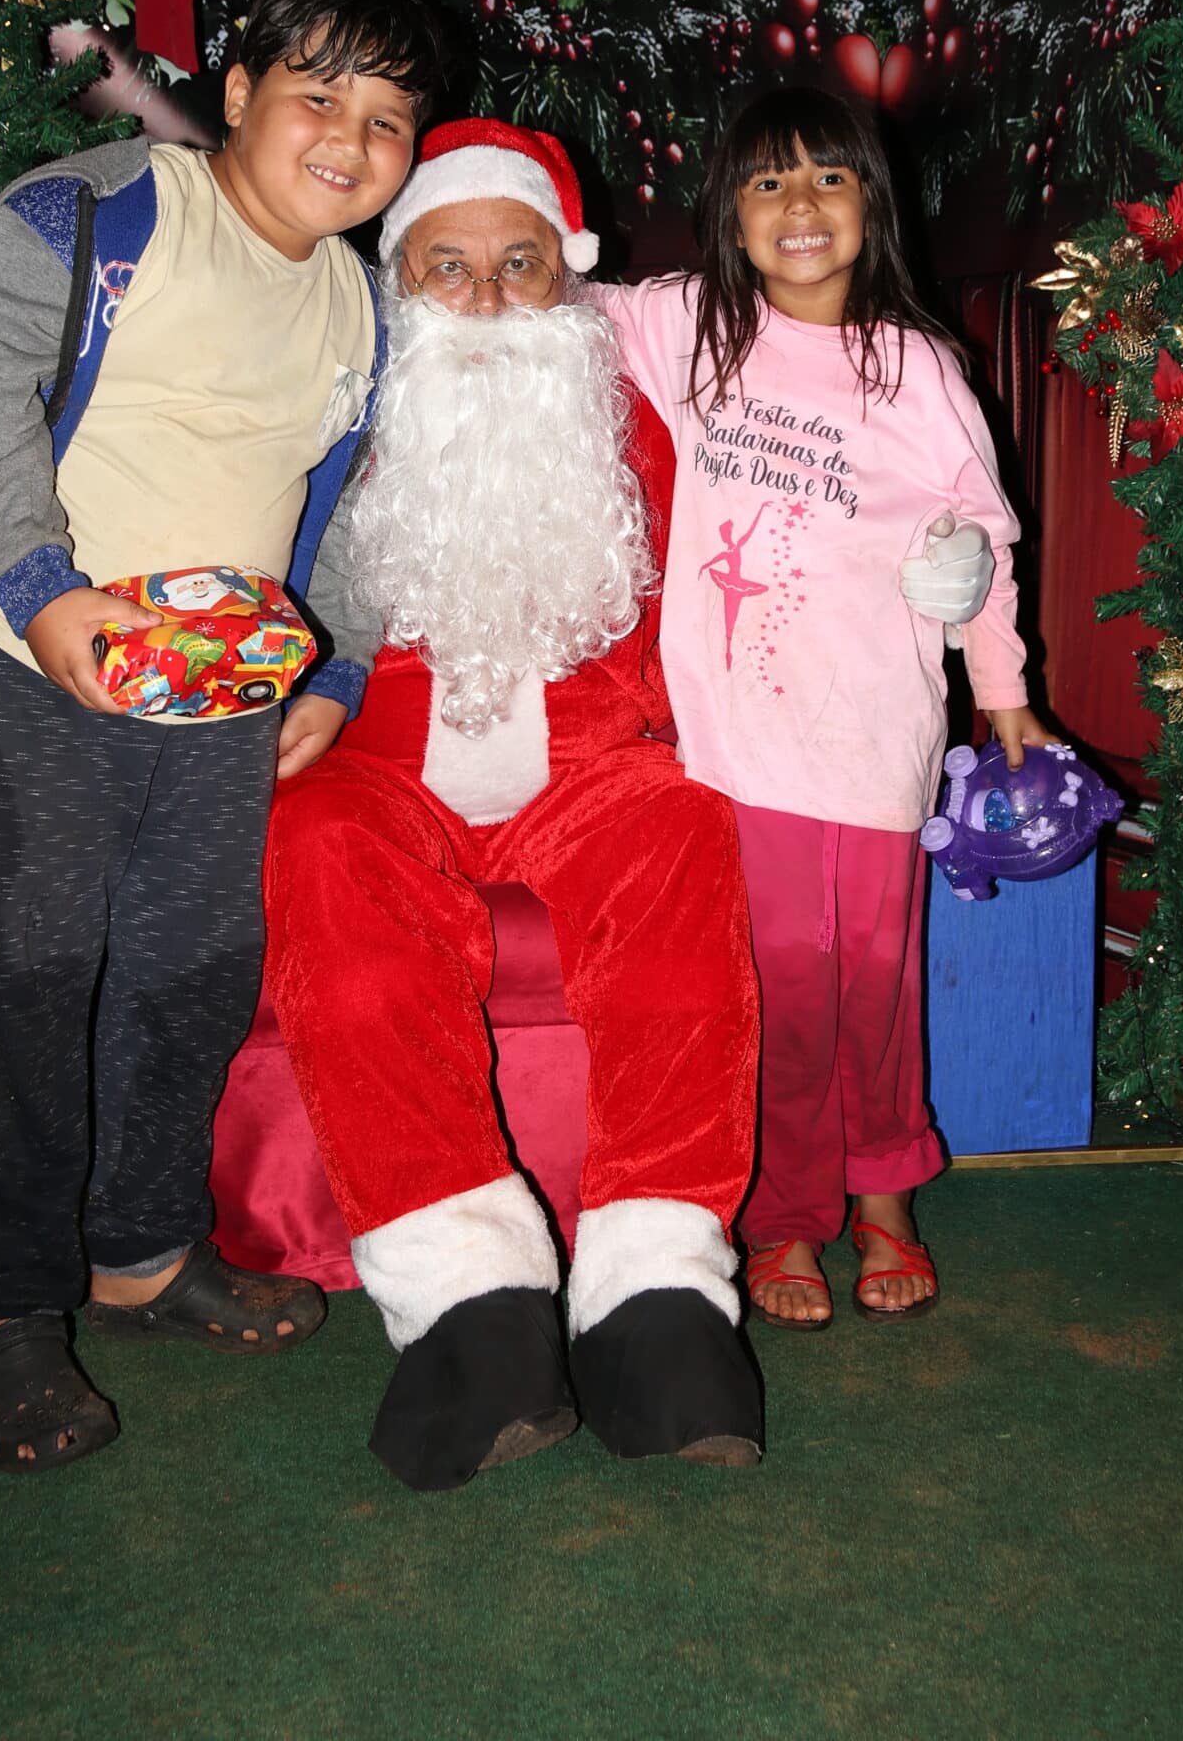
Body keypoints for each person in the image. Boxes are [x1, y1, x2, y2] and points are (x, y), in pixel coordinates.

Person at [0, 0, 445, 1472]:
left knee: (188, 974)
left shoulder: (367, 305)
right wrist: (41, 590)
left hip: (220, 699)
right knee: (11, 985)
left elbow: (352, 510)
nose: (349, 141)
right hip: (29, 672)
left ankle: (142, 1254)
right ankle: (4, 1315)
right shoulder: (98, 213)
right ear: (240, 92)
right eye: (317, 96)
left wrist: (335, 672)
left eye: (386, 120)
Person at [263, 120, 769, 1492]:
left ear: (569, 277)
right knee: (315, 845)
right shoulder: (333, 418)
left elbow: (735, 577)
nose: (485, 299)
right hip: (374, 755)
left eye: (519, 264)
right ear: (397, 279)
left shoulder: (632, 422)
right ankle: (466, 1303)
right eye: (448, 266)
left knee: (682, 834)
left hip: (593, 758)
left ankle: (657, 1293)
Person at [590, 86, 1051, 1332]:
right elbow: (546, 288)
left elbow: (983, 544)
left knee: (876, 975)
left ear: (872, 205)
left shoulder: (918, 368)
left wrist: (1003, 689)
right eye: (767, 181)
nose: (800, 204)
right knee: (784, 982)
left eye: (829, 177)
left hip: (877, 729)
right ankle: (786, 1212)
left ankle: (886, 1193)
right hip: (738, 744)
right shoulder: (687, 326)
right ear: (729, 214)